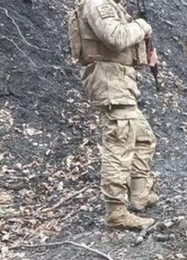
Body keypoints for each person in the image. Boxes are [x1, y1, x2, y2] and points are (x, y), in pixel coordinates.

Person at [70, 0, 160, 230]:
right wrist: (141, 26)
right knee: (119, 147)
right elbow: (116, 37)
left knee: (142, 137)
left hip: (120, 84)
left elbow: (118, 46)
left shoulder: (109, 4)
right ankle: (116, 213)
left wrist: (143, 53)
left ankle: (139, 195)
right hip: (110, 85)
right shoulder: (98, 3)